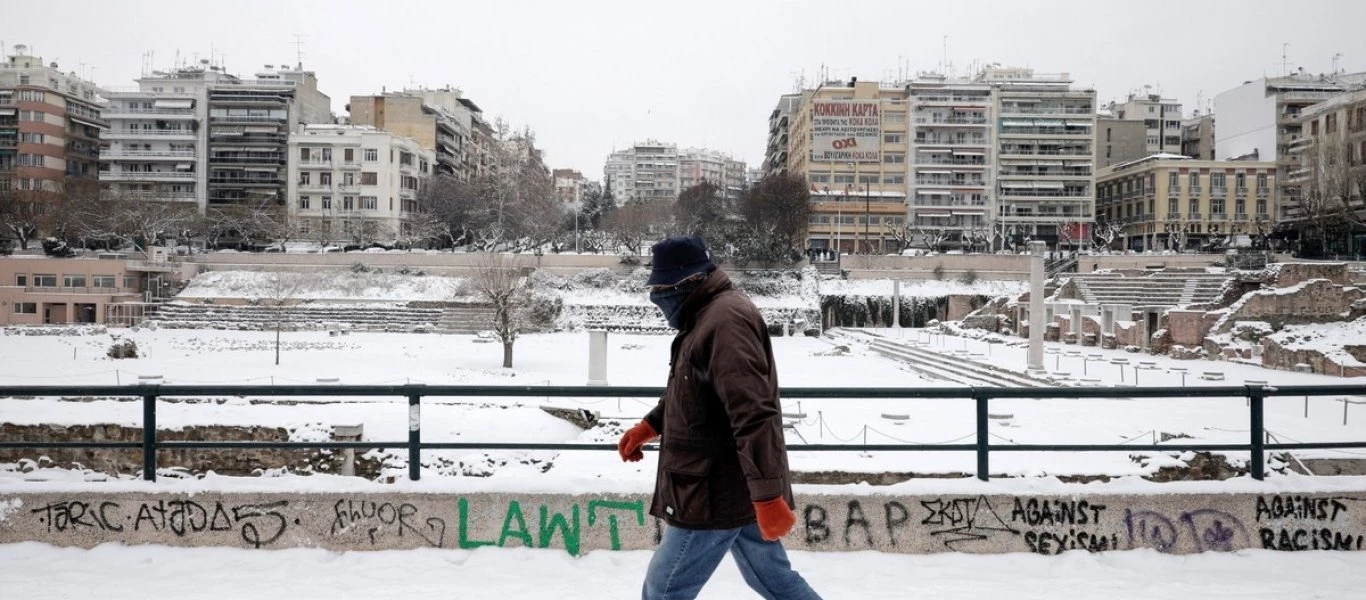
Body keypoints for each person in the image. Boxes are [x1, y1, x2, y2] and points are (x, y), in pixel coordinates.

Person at [618, 235, 823, 600]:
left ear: (689, 280)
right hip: (732, 484)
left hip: (713, 490)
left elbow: (753, 413)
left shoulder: (725, 322)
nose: (658, 295)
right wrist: (650, 425)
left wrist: (767, 497)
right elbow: (694, 392)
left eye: (663, 286)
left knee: (663, 590)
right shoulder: (706, 317)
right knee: (776, 582)